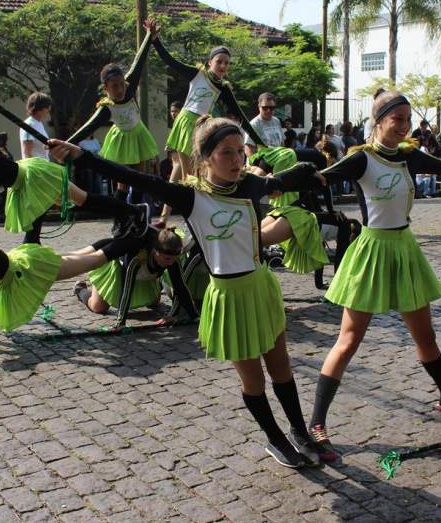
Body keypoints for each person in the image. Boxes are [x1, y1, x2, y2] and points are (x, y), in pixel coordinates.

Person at [45, 118, 326, 469]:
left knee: (281, 369)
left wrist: (310, 171)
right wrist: (81, 159)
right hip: (229, 296)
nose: (237, 160)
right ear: (205, 159)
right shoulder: (192, 197)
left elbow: (282, 181)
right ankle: (276, 439)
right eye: (226, 153)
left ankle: (299, 431)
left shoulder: (251, 185)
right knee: (253, 378)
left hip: (262, 287)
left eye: (240, 151)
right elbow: (139, 180)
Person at [308, 91, 441, 462]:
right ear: (378, 122)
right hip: (372, 251)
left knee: (425, 334)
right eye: (397, 119)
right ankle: (315, 424)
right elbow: (322, 179)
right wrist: (286, 177)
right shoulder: (361, 158)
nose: (404, 125)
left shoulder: (408, 154)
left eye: (407, 119)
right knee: (348, 339)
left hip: (405, 249)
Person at [0, 228, 138, 356]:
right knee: (82, 255)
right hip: (16, 273)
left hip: (28, 271)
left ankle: (136, 237)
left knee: (92, 260)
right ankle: (125, 235)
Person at [0, 120, 147, 245]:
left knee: (81, 200)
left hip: (33, 179)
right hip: (24, 185)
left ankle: (133, 211)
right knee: (78, 202)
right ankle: (130, 211)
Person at [151, 28, 268, 220]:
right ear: (210, 63)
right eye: (219, 61)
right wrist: (155, 41)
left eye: (226, 63)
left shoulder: (223, 88)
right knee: (186, 173)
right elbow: (171, 62)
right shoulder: (198, 75)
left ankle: (167, 217)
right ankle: (188, 217)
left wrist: (259, 141)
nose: (222, 66)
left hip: (200, 126)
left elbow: (241, 116)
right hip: (186, 122)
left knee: (185, 172)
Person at [68, 19, 161, 204]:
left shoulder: (130, 85)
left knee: (138, 177)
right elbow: (88, 127)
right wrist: (65, 143)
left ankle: (136, 213)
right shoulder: (106, 107)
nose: (119, 90)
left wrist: (149, 36)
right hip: (120, 140)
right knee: (122, 182)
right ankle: (121, 213)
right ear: (106, 88)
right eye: (114, 87)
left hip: (138, 136)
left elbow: (139, 61)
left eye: (121, 85)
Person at [73, 225, 199, 330]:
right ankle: (80, 289)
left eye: (174, 259)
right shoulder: (136, 259)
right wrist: (120, 323)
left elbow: (180, 286)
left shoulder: (171, 259)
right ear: (156, 252)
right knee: (98, 307)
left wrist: (193, 317)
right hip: (115, 267)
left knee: (153, 302)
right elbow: (126, 288)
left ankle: (156, 287)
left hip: (144, 275)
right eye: (167, 259)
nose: (171, 263)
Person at [20, 92, 51, 160]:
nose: (49, 110)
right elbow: (27, 153)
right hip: (35, 168)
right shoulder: (29, 124)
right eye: (47, 107)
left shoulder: (38, 123)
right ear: (39, 108)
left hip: (43, 166)